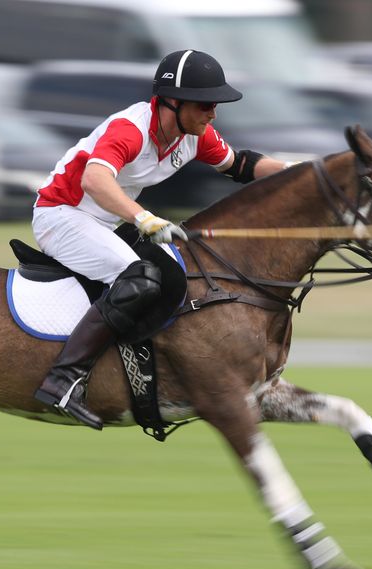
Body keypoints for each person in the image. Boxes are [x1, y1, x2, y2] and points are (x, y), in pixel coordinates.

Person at [32, 49, 294, 430]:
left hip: (105, 222)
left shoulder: (192, 135)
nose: (213, 113)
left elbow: (239, 165)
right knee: (138, 278)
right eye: (206, 104)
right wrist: (144, 219)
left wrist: (303, 172)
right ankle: (62, 380)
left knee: (173, 275)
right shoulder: (131, 129)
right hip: (61, 215)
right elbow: (94, 180)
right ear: (172, 102)